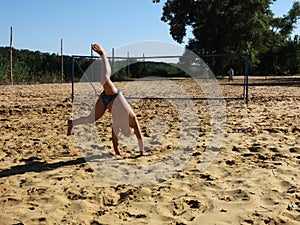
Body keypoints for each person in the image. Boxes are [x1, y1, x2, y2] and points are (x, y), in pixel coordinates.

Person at [67, 43, 150, 157]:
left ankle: (71, 123)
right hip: (114, 95)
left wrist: (118, 152)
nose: (127, 134)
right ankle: (103, 55)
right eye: (129, 133)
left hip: (105, 100)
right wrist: (142, 152)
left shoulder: (118, 124)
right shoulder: (132, 119)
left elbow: (114, 140)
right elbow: (140, 137)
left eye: (126, 134)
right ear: (132, 129)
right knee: (105, 79)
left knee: (91, 118)